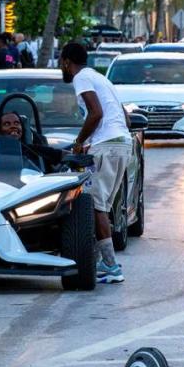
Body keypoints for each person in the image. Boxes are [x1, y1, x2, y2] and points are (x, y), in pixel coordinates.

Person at [60, 42, 132, 284]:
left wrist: (80, 141)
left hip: (109, 145)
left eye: (63, 63)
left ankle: (111, 266)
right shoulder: (101, 79)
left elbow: (96, 113)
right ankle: (107, 261)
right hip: (123, 143)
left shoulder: (81, 78)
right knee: (103, 205)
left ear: (67, 62)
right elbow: (126, 117)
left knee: (95, 205)